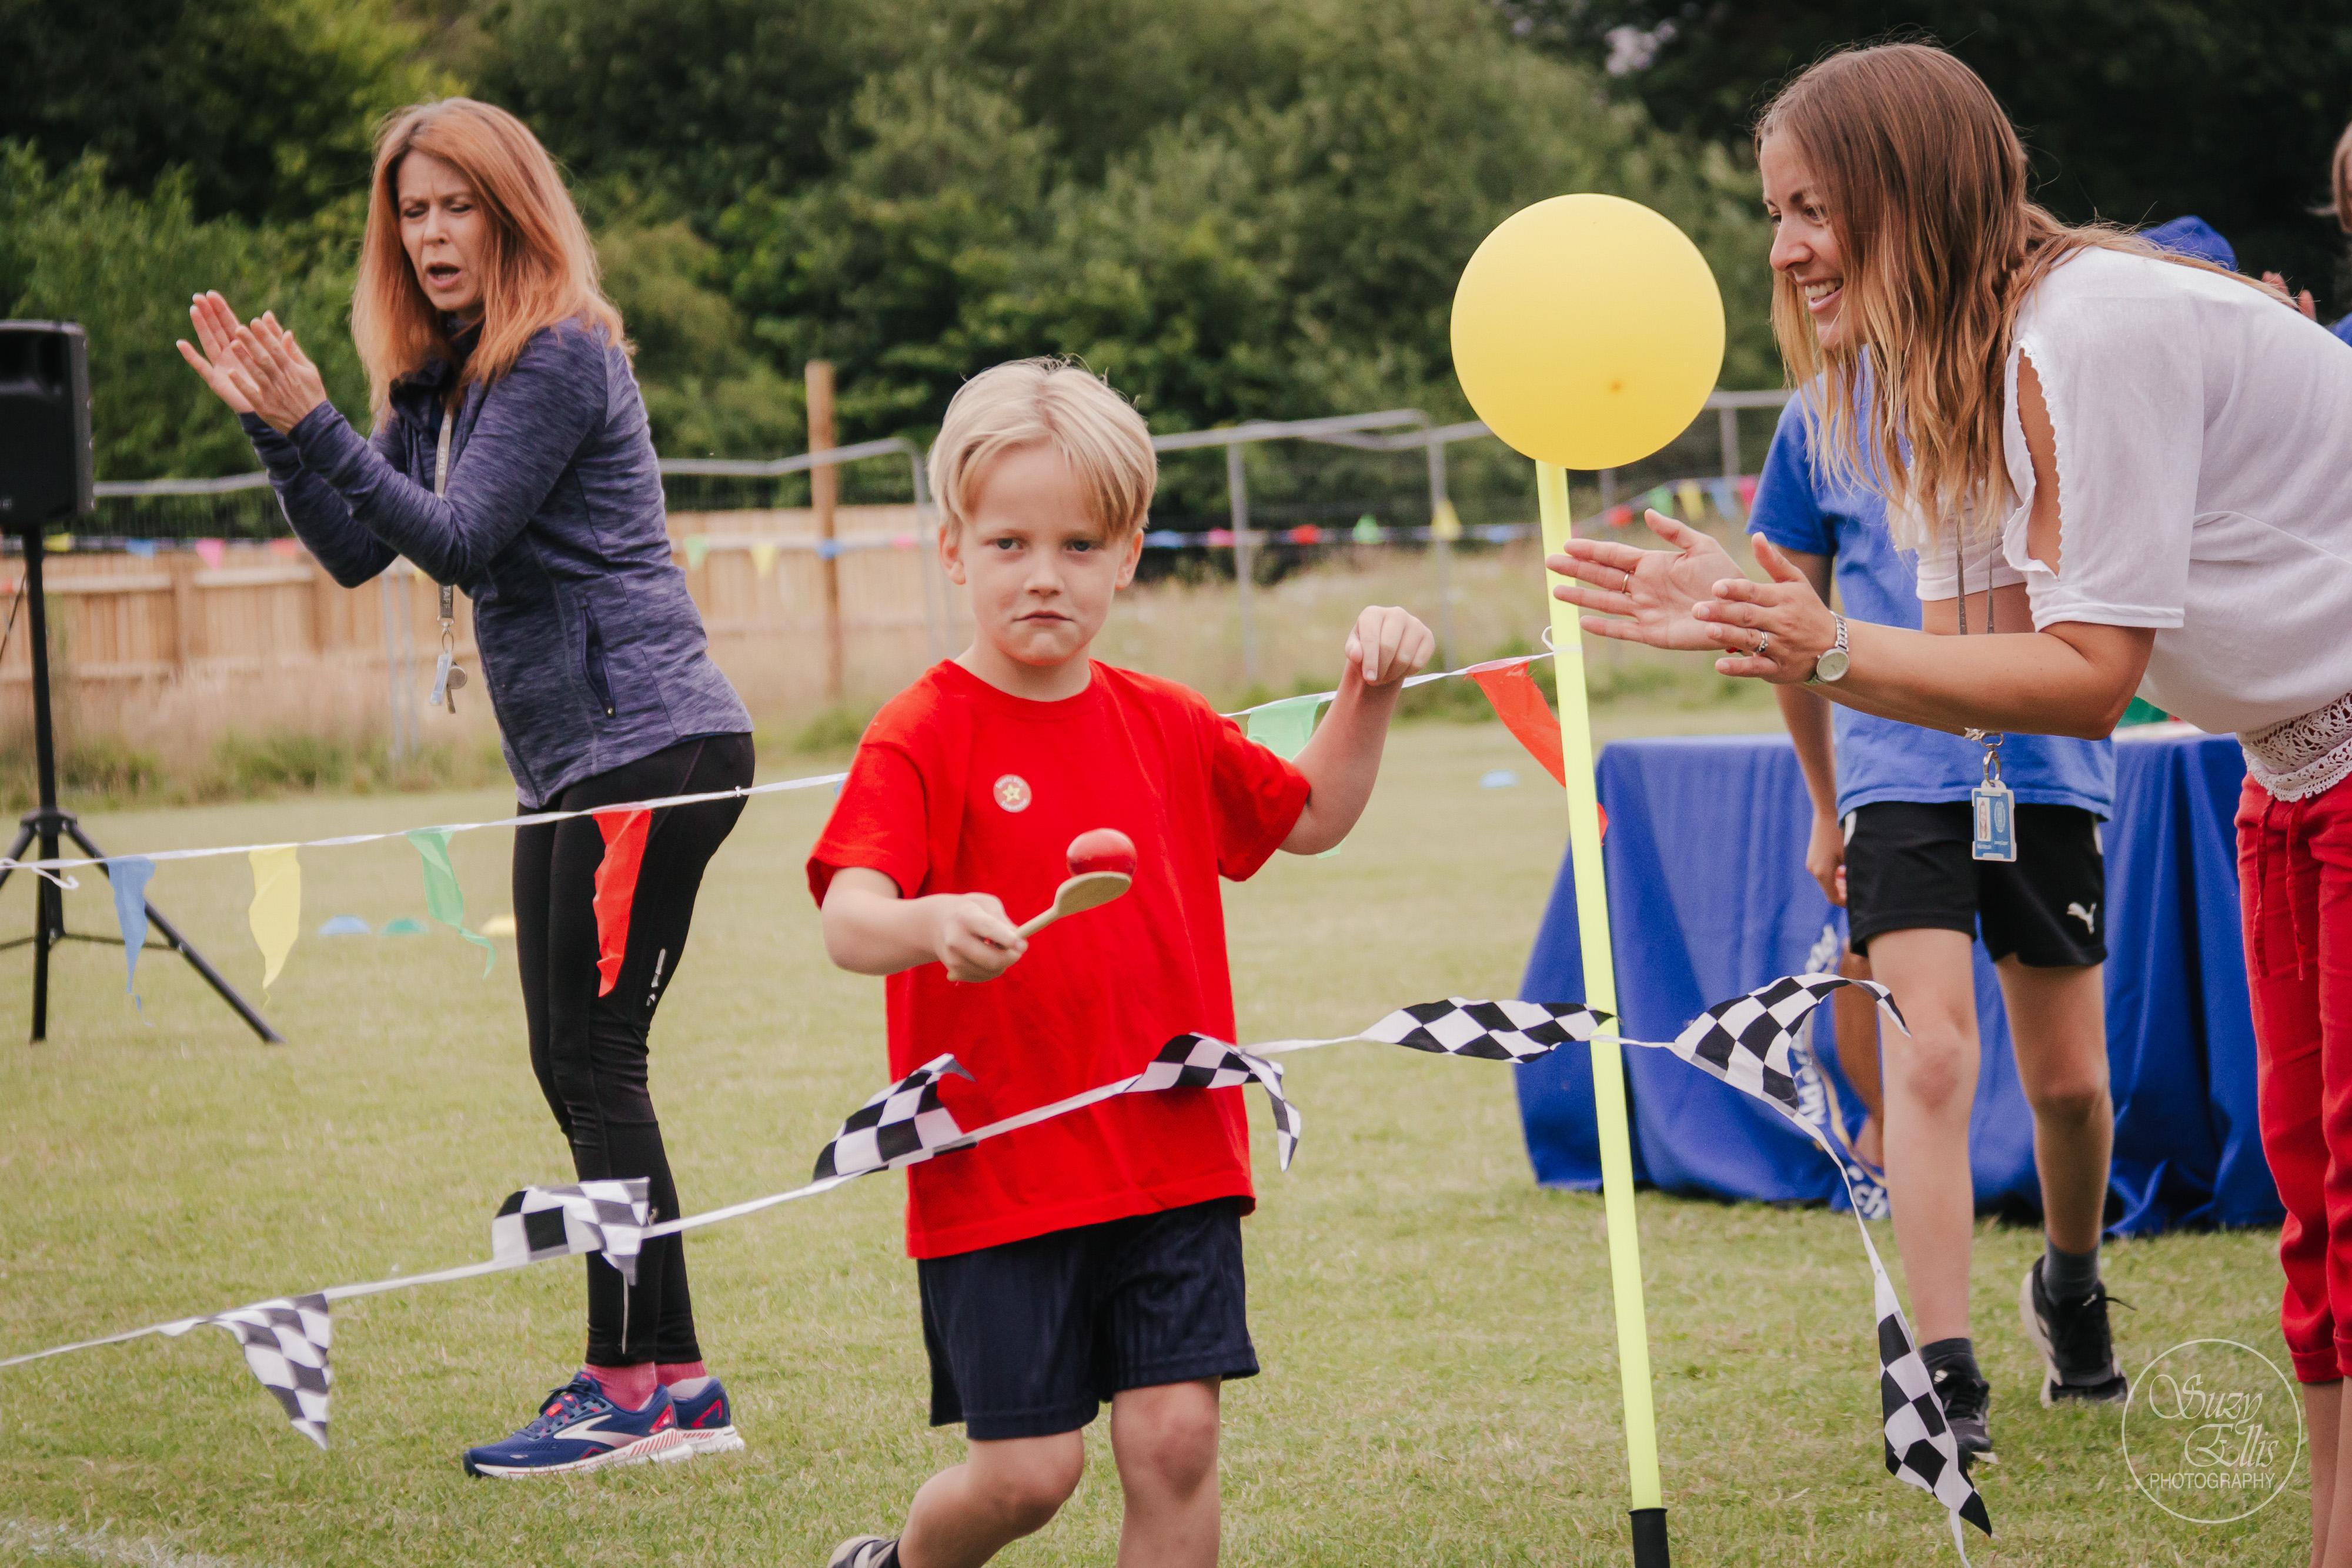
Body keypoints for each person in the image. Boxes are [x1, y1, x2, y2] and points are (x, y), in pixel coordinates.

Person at [1547, 42, 2352, 1566]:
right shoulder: (1949, 393)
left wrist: (1821, 641)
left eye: (1810, 209)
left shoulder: (2091, 332)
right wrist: (1760, 627)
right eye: (1775, 214)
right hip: (2288, 777)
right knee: (2317, 1219)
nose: (1782, 250)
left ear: (1909, 194)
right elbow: (1972, 673)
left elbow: (2089, 679)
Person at [175, 98, 756, 1477]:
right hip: (570, 762)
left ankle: (630, 1387)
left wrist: (317, 420)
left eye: (458, 207)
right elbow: (355, 552)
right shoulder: (442, 378)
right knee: (575, 1061)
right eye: (412, 211)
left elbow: (458, 536)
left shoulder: (558, 352)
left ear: (513, 212)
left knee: (600, 1062)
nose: (432, 235)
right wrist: (279, 432)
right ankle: (672, 1382)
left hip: (650, 743)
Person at [807, 358, 1432, 1568]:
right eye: (1009, 543)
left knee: (1175, 1440)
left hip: (1173, 1151)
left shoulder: (1168, 721)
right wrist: (931, 923)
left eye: (1079, 544)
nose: (1044, 574)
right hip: (998, 1168)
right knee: (1028, 1475)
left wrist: (1369, 689)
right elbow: (850, 915)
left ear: (1129, 553)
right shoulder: (919, 731)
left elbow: (1309, 815)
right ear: (952, 551)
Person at [1749, 368, 2120, 1466]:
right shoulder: (1822, 413)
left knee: (2071, 1087)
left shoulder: (2049, 379)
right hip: (1894, 775)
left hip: (2046, 769)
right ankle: (1945, 1372)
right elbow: (1794, 634)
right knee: (1932, 1058)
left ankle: (2071, 1284)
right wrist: (1826, 803)